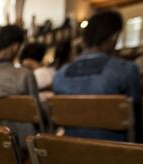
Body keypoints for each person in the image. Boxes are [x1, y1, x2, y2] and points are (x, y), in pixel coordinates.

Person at [53, 11, 142, 142]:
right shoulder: (126, 70)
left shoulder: (60, 74)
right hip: (117, 156)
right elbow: (136, 121)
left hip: (71, 154)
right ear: (114, 36)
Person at [0, 25, 40, 147]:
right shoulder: (25, 76)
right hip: (29, 147)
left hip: (0, 147)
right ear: (15, 46)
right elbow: (38, 119)